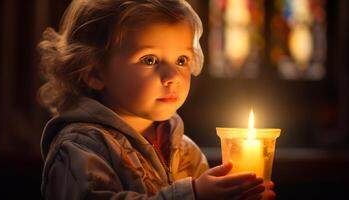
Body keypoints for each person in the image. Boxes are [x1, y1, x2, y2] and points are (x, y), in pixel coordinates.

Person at [38, 0, 276, 199]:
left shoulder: (185, 151)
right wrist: (192, 195)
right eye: (150, 60)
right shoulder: (81, 148)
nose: (173, 76)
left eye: (182, 60)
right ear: (94, 72)